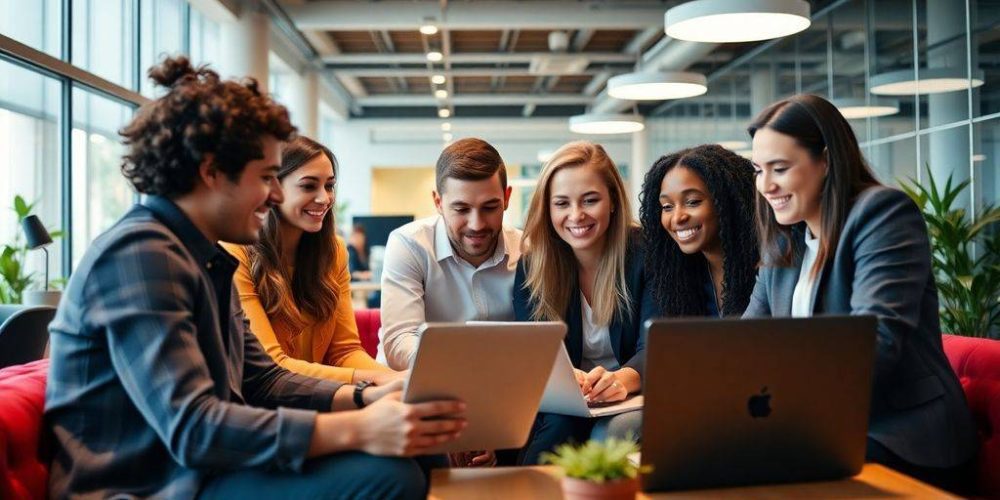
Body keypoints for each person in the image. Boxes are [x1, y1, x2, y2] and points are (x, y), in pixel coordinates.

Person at [45, 56, 464, 499]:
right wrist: (358, 429)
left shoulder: (199, 255)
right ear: (211, 172)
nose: (276, 194)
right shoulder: (141, 254)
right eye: (266, 177)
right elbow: (193, 429)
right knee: (390, 475)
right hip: (151, 484)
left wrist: (366, 398)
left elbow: (264, 380)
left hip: (203, 469)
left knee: (417, 444)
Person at [744, 93, 978, 492]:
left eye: (780, 168)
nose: (766, 185)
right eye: (758, 170)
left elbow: (875, 342)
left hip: (903, 433)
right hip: (826, 427)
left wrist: (793, 411)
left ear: (826, 161)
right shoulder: (784, 242)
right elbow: (746, 341)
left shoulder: (882, 214)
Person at [377, 137, 520, 467]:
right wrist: (464, 383)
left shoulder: (528, 250)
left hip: (498, 397)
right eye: (461, 209)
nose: (477, 224)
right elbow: (399, 343)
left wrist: (486, 416)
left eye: (490, 207)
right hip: (414, 392)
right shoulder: (409, 244)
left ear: (507, 198)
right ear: (438, 202)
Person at [512, 141, 654, 465]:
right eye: (562, 203)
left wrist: (621, 380)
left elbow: (657, 344)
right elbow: (535, 350)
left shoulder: (647, 254)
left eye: (590, 200)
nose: (576, 215)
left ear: (613, 201)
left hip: (632, 396)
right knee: (554, 432)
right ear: (547, 209)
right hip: (568, 400)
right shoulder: (533, 266)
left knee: (609, 435)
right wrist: (569, 379)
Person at [221, 136, 400, 385]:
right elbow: (272, 365)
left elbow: (344, 352)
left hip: (322, 396)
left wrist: (400, 381)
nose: (325, 198)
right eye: (308, 186)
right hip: (261, 401)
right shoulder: (235, 251)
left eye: (329, 185)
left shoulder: (334, 250)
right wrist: (387, 381)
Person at [638, 144, 758, 318]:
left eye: (693, 202)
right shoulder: (679, 277)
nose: (677, 218)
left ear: (728, 201)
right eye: (667, 206)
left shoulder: (767, 266)